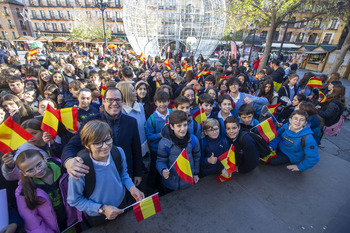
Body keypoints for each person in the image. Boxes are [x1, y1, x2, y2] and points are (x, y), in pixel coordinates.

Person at [67, 120, 144, 226]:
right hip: (98, 215)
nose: (105, 146)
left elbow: (123, 174)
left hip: (122, 204)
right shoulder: (80, 167)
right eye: (97, 143)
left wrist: (132, 187)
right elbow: (75, 200)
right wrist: (102, 209)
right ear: (87, 145)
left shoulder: (118, 152)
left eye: (108, 140)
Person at [62, 87, 143, 186]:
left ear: (122, 102)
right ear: (103, 101)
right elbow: (72, 145)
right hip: (100, 177)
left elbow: (136, 149)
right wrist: (68, 161)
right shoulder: (90, 121)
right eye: (110, 100)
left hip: (125, 174)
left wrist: (138, 173)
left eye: (118, 100)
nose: (114, 103)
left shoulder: (131, 122)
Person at [15, 149, 81, 232]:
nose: (38, 171)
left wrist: (80, 214)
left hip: (73, 221)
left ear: (45, 159)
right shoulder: (23, 192)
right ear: (23, 172)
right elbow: (32, 221)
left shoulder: (64, 169)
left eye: (39, 164)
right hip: (49, 228)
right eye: (30, 170)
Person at [156, 110, 200, 193]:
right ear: (172, 126)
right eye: (179, 126)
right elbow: (160, 161)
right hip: (171, 184)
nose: (183, 129)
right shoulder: (164, 143)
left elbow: (197, 157)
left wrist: (196, 173)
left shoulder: (193, 140)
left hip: (188, 181)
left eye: (185, 125)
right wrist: (163, 170)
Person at [145, 91, 172, 194]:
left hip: (169, 148)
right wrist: (160, 135)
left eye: (165, 101)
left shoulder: (172, 113)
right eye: (160, 102)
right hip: (156, 149)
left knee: (166, 168)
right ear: (155, 103)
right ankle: (150, 189)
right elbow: (149, 137)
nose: (162, 104)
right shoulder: (151, 119)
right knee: (154, 170)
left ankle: (163, 186)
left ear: (169, 101)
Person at [116, 81, 148, 157]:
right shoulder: (120, 111)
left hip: (142, 145)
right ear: (126, 94)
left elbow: (144, 126)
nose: (136, 92)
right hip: (129, 149)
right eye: (133, 90)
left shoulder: (140, 106)